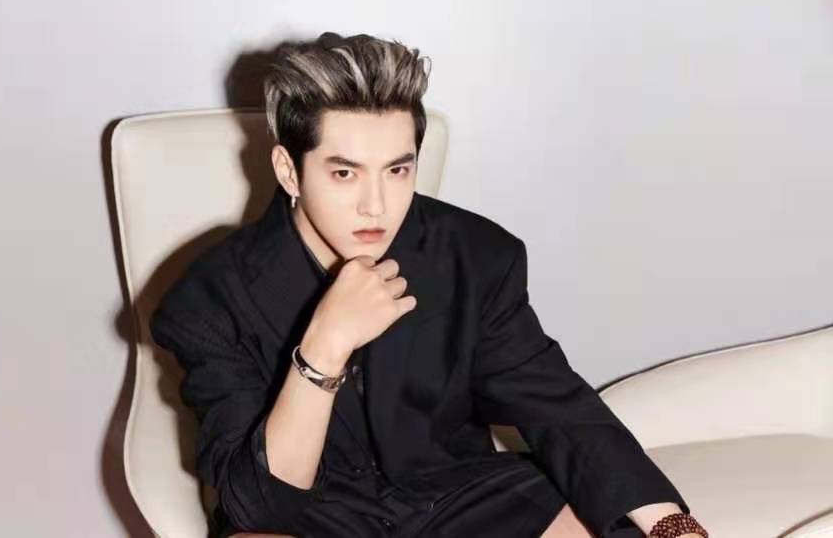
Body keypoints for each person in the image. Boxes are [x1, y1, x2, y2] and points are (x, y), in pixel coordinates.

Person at [149, 32, 708, 538]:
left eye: (398, 170)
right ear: (289, 171)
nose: (376, 205)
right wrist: (324, 347)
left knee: (618, 527)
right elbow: (263, 504)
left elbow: (556, 408)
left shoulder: (477, 256)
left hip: (454, 493)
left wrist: (674, 527)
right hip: (310, 516)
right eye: (344, 173)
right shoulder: (208, 299)